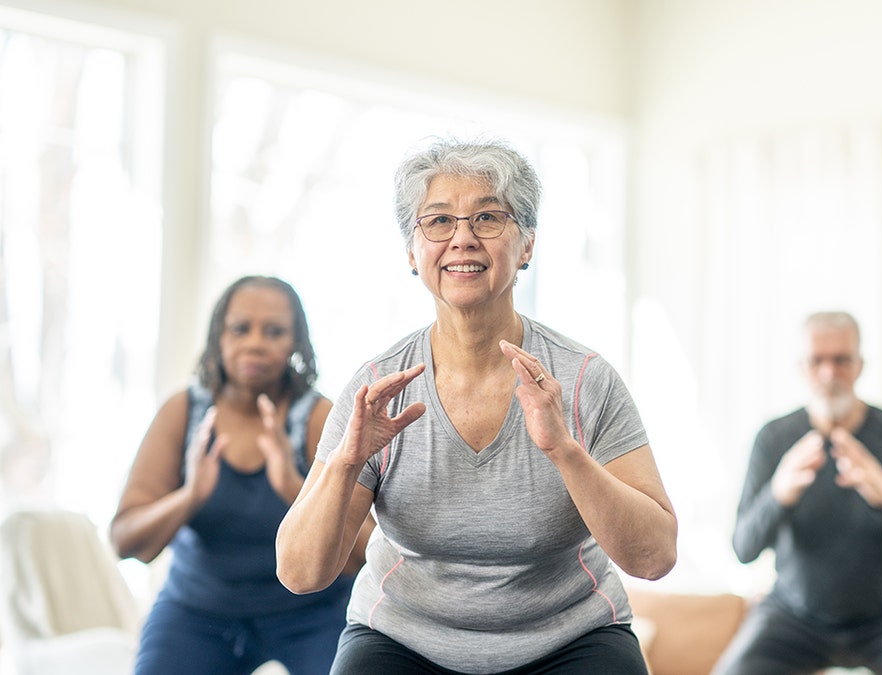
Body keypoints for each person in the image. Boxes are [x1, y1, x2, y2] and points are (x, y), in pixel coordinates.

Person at [275, 138, 677, 675]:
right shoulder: (378, 387)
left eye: (488, 217)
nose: (463, 239)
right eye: (438, 221)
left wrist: (565, 451)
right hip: (403, 640)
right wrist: (347, 462)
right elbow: (301, 573)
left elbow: (654, 558)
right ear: (412, 252)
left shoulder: (585, 381)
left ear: (527, 244)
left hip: (571, 639)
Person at [111, 275, 371, 675]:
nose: (254, 342)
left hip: (311, 614)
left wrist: (291, 485)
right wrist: (191, 495)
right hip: (198, 612)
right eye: (240, 328)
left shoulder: (320, 417)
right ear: (219, 335)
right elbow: (127, 542)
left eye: (274, 331)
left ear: (295, 343)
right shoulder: (182, 413)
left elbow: (369, 554)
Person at [714, 311, 882, 675]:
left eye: (841, 360)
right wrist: (778, 494)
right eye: (817, 361)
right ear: (801, 366)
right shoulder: (774, 438)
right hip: (794, 615)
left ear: (859, 365)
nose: (829, 373)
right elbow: (743, 548)